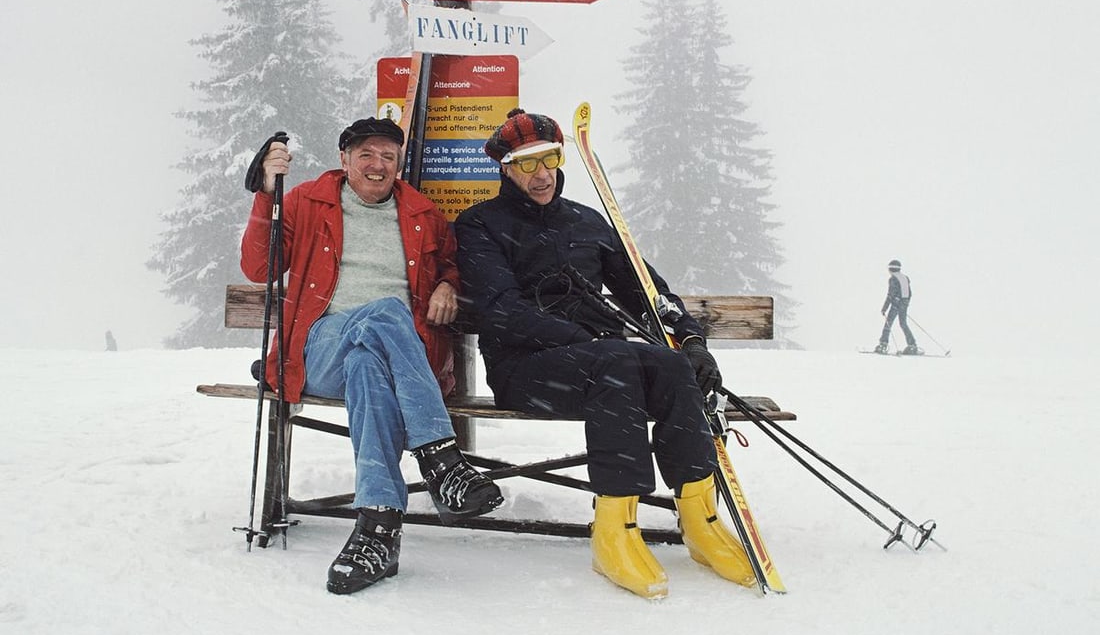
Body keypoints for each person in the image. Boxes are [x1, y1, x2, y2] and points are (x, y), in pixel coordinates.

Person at [454, 108, 756, 600]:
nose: (542, 174)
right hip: (525, 368)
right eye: (527, 164)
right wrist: (584, 341)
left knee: (673, 366)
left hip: (597, 361)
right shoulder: (480, 225)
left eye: (549, 159)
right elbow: (500, 312)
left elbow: (648, 292)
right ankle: (614, 529)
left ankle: (699, 516)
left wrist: (692, 340)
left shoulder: (587, 223)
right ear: (505, 168)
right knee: (617, 364)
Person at [240, 118, 502, 595]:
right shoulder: (307, 202)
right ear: (345, 160)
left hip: (391, 362)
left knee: (368, 365)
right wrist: (266, 193)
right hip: (317, 351)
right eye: (366, 155)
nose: (377, 165)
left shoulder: (424, 214)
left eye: (387, 156)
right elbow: (259, 267)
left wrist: (448, 284)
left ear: (399, 163)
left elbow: (452, 268)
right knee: (383, 314)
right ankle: (441, 459)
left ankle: (377, 530)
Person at [875, 259, 921, 355]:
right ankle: (912, 345)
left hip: (896, 304)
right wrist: (905, 304)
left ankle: (883, 344)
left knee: (888, 323)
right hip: (904, 303)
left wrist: (884, 308)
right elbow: (910, 293)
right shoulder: (905, 278)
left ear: (891, 269)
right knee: (903, 324)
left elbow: (890, 295)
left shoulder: (893, 279)